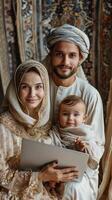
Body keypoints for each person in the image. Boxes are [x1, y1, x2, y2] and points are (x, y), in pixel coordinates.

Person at [43, 24, 105, 199]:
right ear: (51, 55)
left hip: (79, 170)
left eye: (72, 56)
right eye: (59, 54)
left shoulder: (90, 95)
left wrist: (82, 149)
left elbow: (98, 145)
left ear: (80, 59)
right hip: (42, 164)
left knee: (73, 189)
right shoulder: (38, 88)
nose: (65, 62)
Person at [0, 60, 77, 199]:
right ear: (16, 89)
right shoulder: (3, 126)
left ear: (45, 89)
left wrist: (56, 178)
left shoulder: (47, 123)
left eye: (38, 87)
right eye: (25, 87)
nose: (32, 93)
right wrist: (40, 176)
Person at [49, 95, 101, 199]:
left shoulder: (86, 134)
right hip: (59, 170)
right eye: (65, 114)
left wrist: (81, 150)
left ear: (84, 118)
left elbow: (94, 157)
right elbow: (52, 150)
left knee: (74, 188)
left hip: (81, 172)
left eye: (76, 114)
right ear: (58, 116)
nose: (70, 118)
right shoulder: (55, 132)